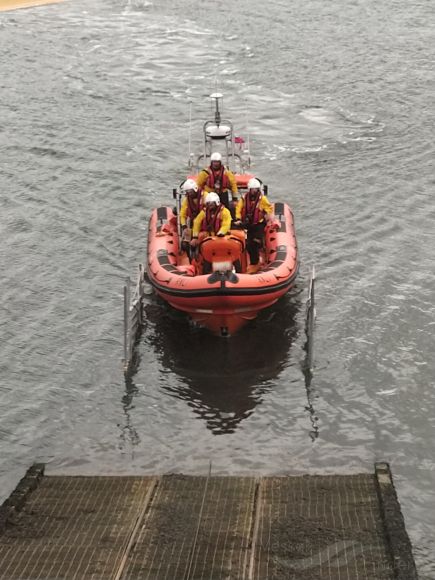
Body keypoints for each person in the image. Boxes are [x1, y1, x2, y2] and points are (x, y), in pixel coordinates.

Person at [234, 178, 277, 272]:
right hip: (248, 224)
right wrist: (238, 218)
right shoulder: (244, 199)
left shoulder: (262, 199)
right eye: (253, 189)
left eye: (256, 189)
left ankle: (256, 262)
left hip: (259, 224)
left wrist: (269, 217)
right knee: (249, 245)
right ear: (249, 189)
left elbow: (269, 208)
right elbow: (238, 208)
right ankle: (254, 262)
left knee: (255, 243)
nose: (255, 191)